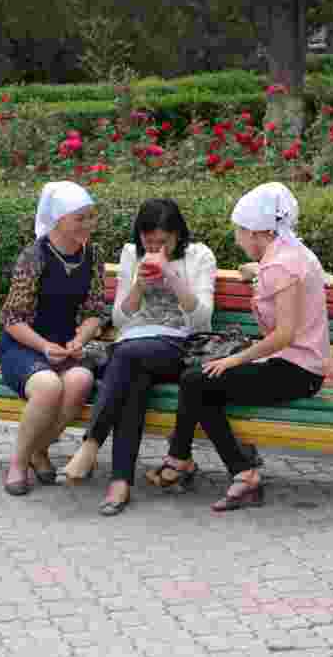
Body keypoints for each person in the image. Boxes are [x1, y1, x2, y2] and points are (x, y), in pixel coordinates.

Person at [148, 182, 332, 512]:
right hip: (292, 363)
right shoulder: (290, 253)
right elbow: (281, 278)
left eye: (238, 232)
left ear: (255, 233)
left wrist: (235, 361)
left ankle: (224, 470)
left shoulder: (281, 266)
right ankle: (187, 461)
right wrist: (257, 271)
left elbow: (285, 334)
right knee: (198, 381)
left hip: (297, 370)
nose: (236, 239)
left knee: (198, 382)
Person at [64, 198, 216, 516]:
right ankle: (120, 483)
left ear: (178, 235)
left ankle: (91, 443)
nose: (156, 247)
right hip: (134, 348)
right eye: (150, 242)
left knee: (125, 357)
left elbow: (202, 321)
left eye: (164, 241)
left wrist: (172, 279)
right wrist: (138, 287)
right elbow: (121, 320)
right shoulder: (131, 254)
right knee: (132, 379)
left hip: (179, 346)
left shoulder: (199, 255)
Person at [0, 181, 107, 496]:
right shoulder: (34, 255)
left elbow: (94, 310)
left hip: (64, 346)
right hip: (24, 347)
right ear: (58, 220)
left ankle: (37, 450)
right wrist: (45, 347)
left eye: (90, 217)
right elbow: (12, 319)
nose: (88, 224)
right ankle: (18, 463)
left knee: (81, 380)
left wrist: (79, 340)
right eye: (80, 218)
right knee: (48, 386)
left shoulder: (93, 255)